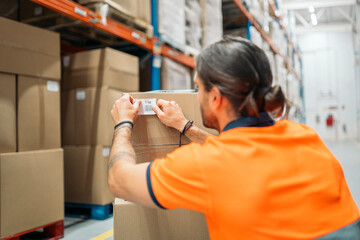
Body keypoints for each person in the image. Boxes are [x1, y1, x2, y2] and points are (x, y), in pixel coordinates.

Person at [108, 36, 360, 239]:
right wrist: (184, 125)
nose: (198, 96)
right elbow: (241, 157)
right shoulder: (306, 136)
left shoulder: (204, 165)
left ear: (216, 97)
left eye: (200, 88)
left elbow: (120, 180)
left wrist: (123, 123)